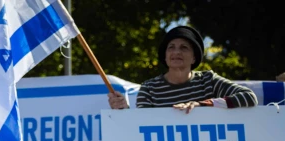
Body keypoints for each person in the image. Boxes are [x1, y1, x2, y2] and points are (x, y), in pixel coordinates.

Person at [108, 25, 257, 112]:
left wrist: (204, 104)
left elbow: (249, 97)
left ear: (194, 58)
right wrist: (123, 111)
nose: (176, 52)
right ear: (165, 57)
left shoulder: (209, 80)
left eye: (184, 47)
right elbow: (141, 127)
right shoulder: (149, 88)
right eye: (171, 47)